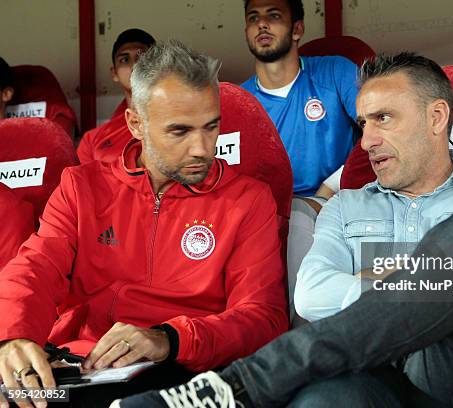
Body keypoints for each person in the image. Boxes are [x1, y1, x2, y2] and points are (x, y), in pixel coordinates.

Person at [114, 52, 453, 408]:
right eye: (363, 123)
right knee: (322, 400)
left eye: (383, 119)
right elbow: (311, 295)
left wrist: (375, 284)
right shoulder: (344, 206)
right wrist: (421, 281)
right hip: (376, 381)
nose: (367, 140)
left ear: (436, 117)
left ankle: (242, 385)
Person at [0, 41, 287, 408]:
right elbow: (35, 268)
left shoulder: (248, 200)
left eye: (211, 127)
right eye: (180, 131)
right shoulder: (81, 187)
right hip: (83, 367)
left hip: (186, 370)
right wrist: (13, 337)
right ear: (136, 124)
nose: (202, 147)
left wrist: (169, 339)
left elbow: (263, 317)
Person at [241, 0, 359, 199]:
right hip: (271, 212)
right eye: (253, 18)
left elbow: (382, 131)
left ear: (297, 29)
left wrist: (333, 185)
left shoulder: (336, 71)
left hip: (343, 199)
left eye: (274, 15)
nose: (261, 24)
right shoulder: (239, 102)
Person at [77, 29, 156, 164]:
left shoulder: (183, 121)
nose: (134, 66)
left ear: (158, 67)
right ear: (114, 73)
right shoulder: (92, 140)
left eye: (142, 57)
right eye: (124, 60)